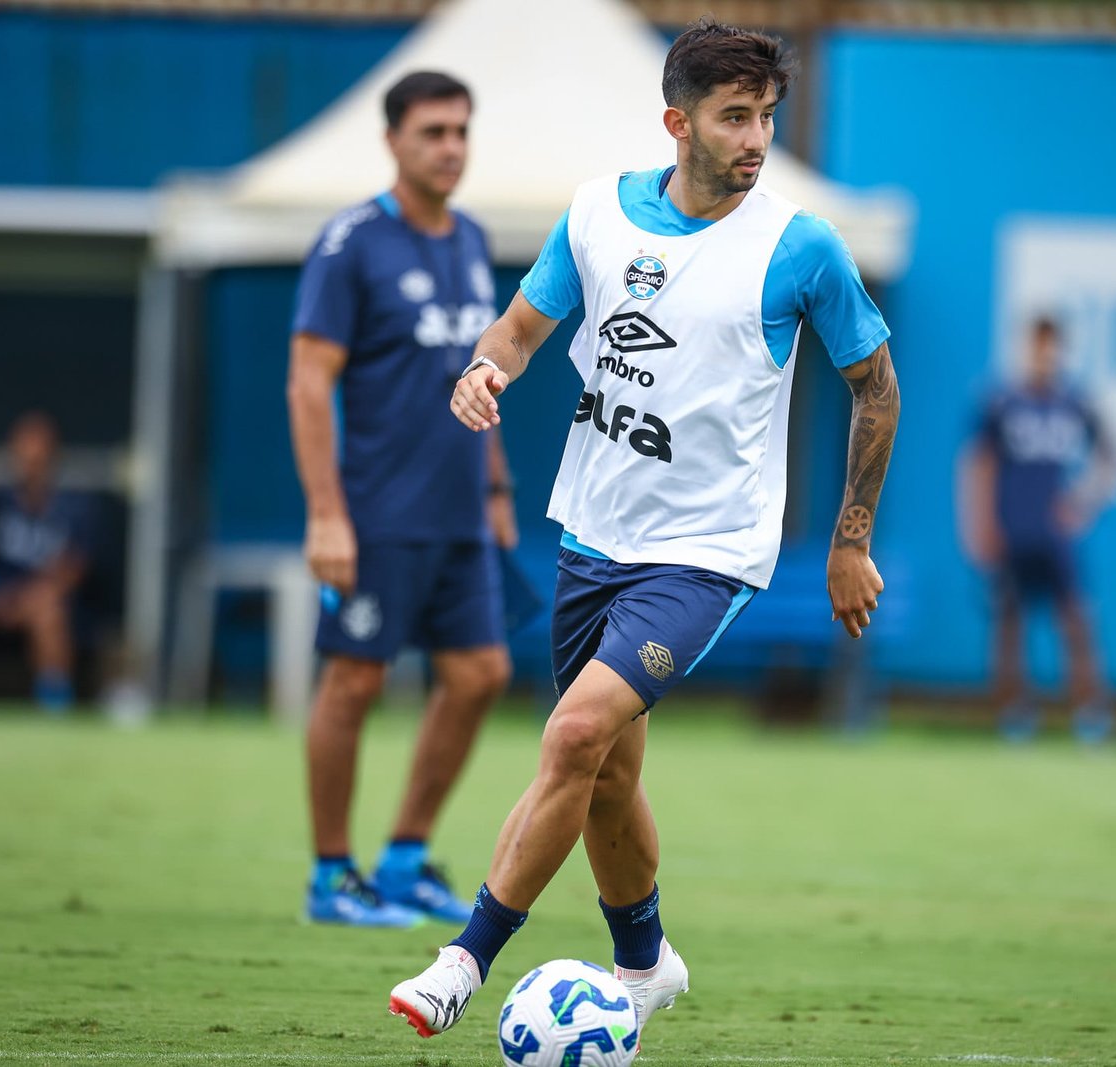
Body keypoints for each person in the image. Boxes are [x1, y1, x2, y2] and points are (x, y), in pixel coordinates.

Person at [385, 18, 900, 1044]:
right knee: (608, 775)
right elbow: (518, 329)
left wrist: (850, 539)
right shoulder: (596, 215)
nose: (756, 139)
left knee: (574, 733)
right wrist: (484, 369)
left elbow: (875, 388)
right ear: (678, 122)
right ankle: (645, 962)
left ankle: (463, 959)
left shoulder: (800, 246)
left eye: (767, 116)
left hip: (706, 554)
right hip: (593, 535)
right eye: (734, 117)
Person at [287, 70, 514, 929]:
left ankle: (405, 860)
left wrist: (497, 485)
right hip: (377, 511)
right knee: (354, 681)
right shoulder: (351, 242)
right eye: (432, 132)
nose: (451, 147)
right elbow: (309, 383)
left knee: (481, 674)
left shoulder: (472, 238)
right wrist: (325, 512)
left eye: (461, 130)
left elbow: (482, 374)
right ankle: (331, 875)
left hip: (461, 510)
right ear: (392, 141)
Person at [959, 314, 1116, 743]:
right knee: (1009, 624)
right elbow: (978, 464)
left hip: (1055, 536)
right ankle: (1014, 715)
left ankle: (1090, 714)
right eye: (1037, 345)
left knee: (1076, 621)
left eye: (1052, 345)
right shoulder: (1000, 402)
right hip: (1011, 531)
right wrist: (979, 524)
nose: (1045, 355)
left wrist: (1084, 501)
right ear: (1026, 347)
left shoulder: (1075, 402)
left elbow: (1110, 454)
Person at [0, 412, 93, 712]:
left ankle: (54, 704)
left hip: (40, 599)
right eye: (24, 456)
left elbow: (75, 567)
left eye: (38, 458)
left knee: (47, 608)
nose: (30, 465)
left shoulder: (75, 503)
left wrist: (27, 598)